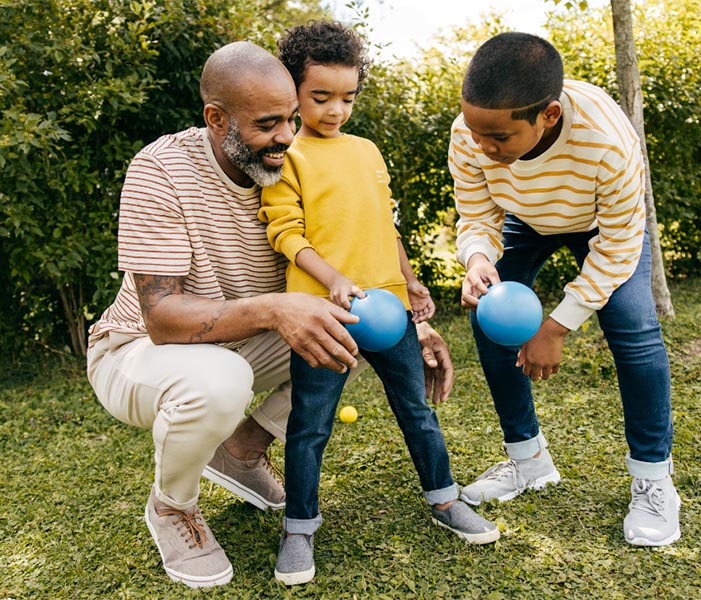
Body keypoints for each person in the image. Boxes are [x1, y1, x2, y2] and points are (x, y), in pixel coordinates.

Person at [86, 40, 456, 590]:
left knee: (345, 336)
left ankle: (241, 450)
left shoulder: (293, 163)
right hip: (139, 351)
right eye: (267, 124)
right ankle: (172, 507)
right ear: (216, 119)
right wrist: (278, 308)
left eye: (290, 117)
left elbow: (363, 251)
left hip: (246, 337)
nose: (287, 136)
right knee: (222, 380)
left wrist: (413, 322)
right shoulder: (161, 170)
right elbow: (162, 318)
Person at [259, 20, 499, 587]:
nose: (335, 109)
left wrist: (410, 282)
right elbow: (285, 233)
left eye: (347, 97)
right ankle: (299, 527)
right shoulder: (286, 154)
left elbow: (384, 226)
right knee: (310, 424)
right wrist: (334, 278)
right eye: (320, 97)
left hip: (389, 308)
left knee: (416, 409)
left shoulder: (367, 150)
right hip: (325, 312)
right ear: (292, 90)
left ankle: (444, 500)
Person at [448, 32, 680, 546]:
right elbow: (477, 211)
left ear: (548, 115)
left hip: (601, 224)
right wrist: (478, 258)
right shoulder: (473, 130)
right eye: (475, 130)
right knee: (489, 316)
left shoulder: (607, 140)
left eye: (500, 138)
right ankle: (528, 461)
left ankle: (653, 480)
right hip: (526, 220)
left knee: (633, 328)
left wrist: (555, 327)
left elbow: (620, 248)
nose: (483, 146)